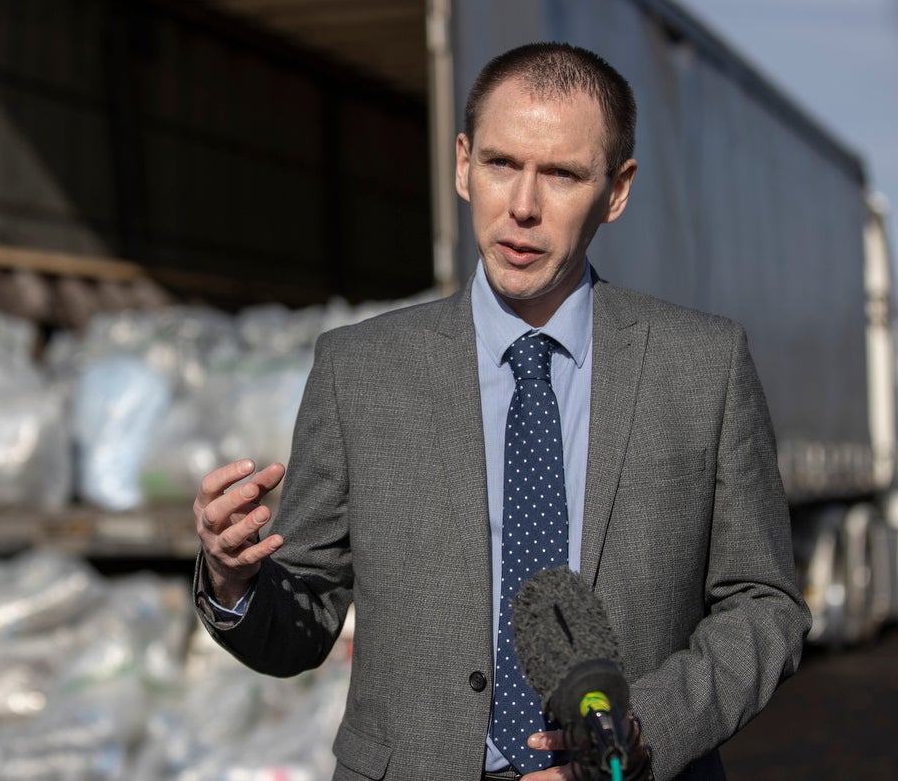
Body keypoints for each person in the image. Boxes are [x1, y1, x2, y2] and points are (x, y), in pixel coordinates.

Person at [191, 42, 809, 781]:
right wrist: (233, 582)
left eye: (562, 174)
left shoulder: (703, 366)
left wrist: (639, 734)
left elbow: (763, 605)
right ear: (462, 164)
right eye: (500, 164)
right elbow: (297, 630)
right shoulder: (359, 370)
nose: (522, 205)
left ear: (616, 190)